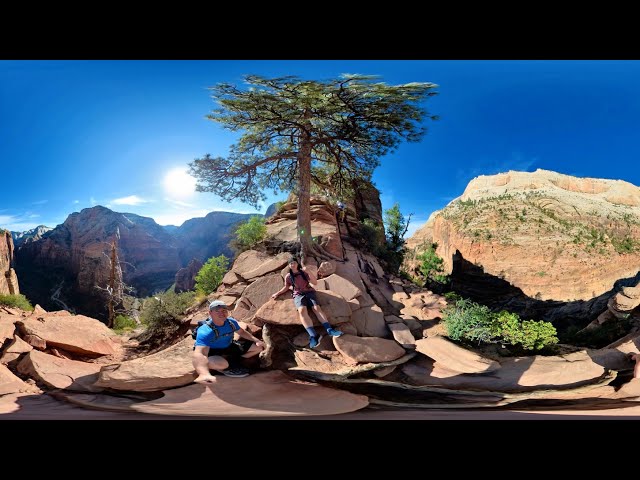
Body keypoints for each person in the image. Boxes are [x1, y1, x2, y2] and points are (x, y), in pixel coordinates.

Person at [271, 255, 343, 349]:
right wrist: (277, 293)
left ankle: (329, 329)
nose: (292, 265)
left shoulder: (303, 273)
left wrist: (308, 271)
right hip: (298, 294)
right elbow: (287, 287)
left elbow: (315, 282)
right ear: (289, 265)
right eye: (291, 263)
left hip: (309, 292)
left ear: (297, 264)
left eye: (294, 263)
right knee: (301, 311)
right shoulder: (288, 276)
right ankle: (313, 335)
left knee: (316, 308)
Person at [192, 300, 265, 383]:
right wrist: (203, 373)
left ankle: (233, 361)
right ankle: (224, 369)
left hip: (229, 346)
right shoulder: (205, 331)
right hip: (212, 351)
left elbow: (241, 332)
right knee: (222, 364)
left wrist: (256, 340)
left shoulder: (230, 322)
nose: (221, 313)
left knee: (259, 347)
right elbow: (199, 353)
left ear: (227, 312)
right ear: (210, 313)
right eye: (217, 311)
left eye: (223, 310)